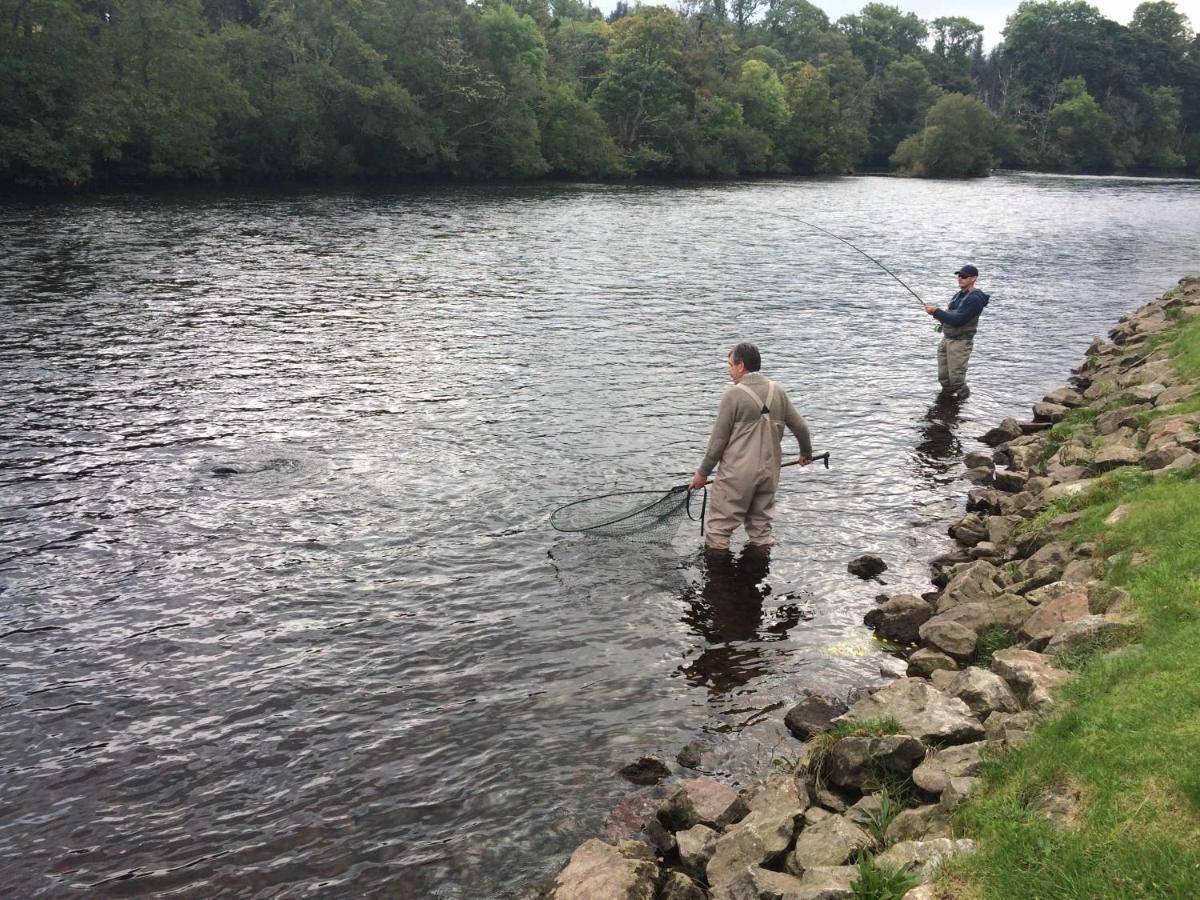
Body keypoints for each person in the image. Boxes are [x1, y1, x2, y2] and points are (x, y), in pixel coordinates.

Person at [688, 343, 812, 551]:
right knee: (761, 529)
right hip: (769, 472)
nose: (728, 369)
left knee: (719, 529)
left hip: (737, 475)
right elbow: (800, 427)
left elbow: (718, 441)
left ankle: (719, 581)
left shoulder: (733, 396)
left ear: (741, 365)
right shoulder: (777, 391)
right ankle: (757, 577)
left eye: (730, 364)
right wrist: (805, 453)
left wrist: (702, 474)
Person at [923, 264, 990, 400]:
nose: (960, 278)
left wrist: (936, 311)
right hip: (947, 340)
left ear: (973, 278)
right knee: (944, 377)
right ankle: (946, 405)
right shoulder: (958, 296)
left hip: (960, 342)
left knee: (957, 379)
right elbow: (949, 318)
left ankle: (964, 403)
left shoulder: (975, 299)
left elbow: (958, 320)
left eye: (964, 276)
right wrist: (936, 314)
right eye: (959, 275)